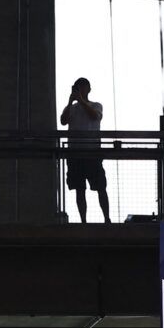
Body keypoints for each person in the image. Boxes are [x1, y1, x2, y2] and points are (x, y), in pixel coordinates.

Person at [60, 78, 110, 223]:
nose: (80, 90)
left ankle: (106, 218)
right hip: (75, 153)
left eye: (82, 87)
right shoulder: (72, 108)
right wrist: (70, 102)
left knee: (100, 186)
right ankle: (83, 220)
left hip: (92, 152)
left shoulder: (96, 105)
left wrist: (80, 101)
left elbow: (95, 116)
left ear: (89, 89)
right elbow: (63, 121)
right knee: (79, 189)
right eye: (78, 87)